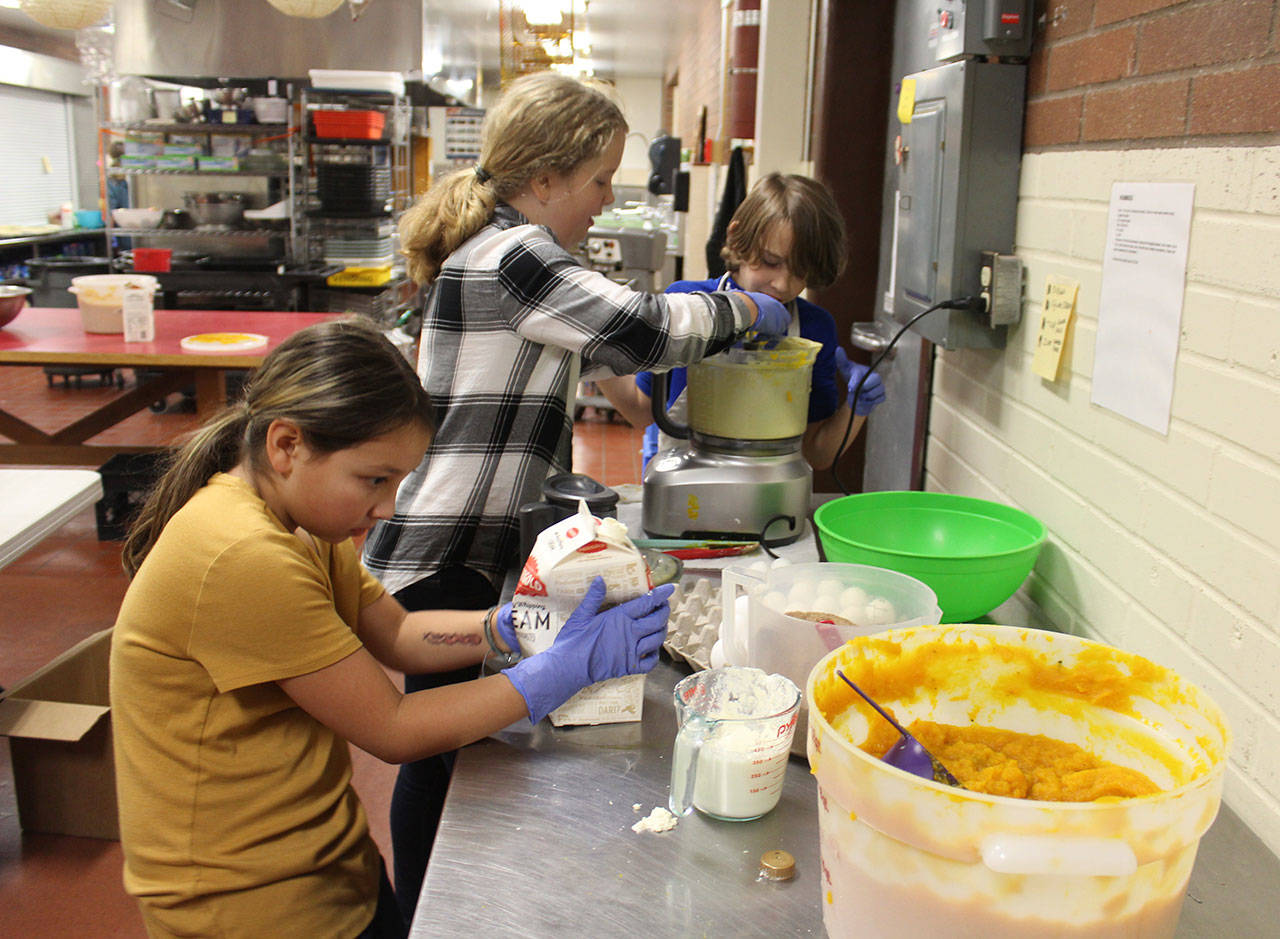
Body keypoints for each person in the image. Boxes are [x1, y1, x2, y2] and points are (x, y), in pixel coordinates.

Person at [359, 71, 789, 920]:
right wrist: (748, 309)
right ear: (546, 176)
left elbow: (612, 361)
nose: (602, 201)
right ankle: (434, 914)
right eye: (599, 181)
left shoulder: (502, 255)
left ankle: (437, 906)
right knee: (446, 749)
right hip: (451, 553)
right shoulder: (518, 256)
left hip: (464, 546)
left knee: (450, 751)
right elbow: (648, 330)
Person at [109, 318, 674, 938]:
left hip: (321, 862)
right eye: (374, 479)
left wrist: (513, 626)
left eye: (399, 481)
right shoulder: (242, 555)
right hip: (248, 905)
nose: (388, 508)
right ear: (286, 446)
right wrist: (559, 671)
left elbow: (399, 636)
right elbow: (394, 728)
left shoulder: (294, 525)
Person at [597, 172, 887, 472]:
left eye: (800, 271)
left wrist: (855, 410)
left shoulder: (815, 328)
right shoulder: (687, 304)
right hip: (682, 489)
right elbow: (641, 411)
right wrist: (592, 344)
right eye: (771, 262)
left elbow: (816, 454)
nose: (782, 284)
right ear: (737, 238)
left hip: (768, 496)